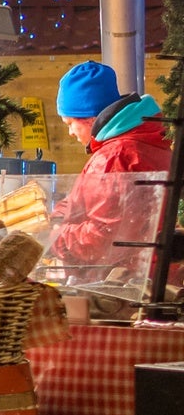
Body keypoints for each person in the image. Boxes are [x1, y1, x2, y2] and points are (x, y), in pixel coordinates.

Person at [50, 61, 174, 281]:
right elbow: (98, 204)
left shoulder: (112, 157)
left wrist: (55, 237)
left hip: (123, 287)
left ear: (89, 119)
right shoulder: (144, 142)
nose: (70, 132)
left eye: (70, 123)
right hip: (157, 276)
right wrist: (56, 215)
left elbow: (101, 238)